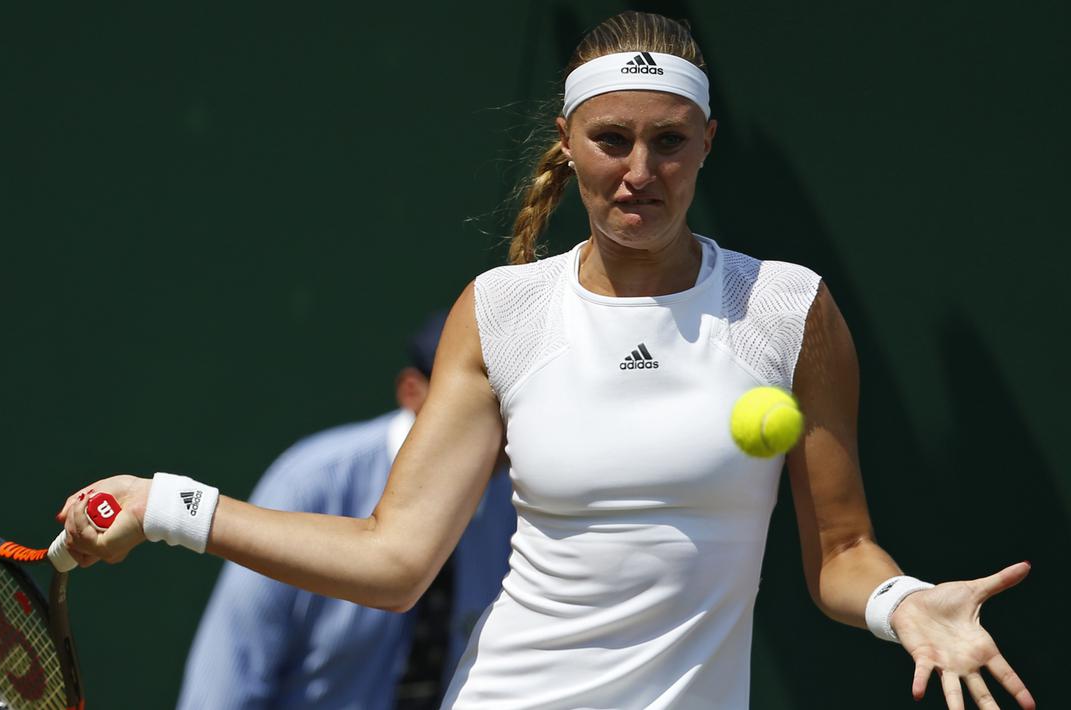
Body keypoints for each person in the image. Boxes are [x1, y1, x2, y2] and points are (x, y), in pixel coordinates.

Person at [58, 12, 1036, 710]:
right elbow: (395, 558)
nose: (639, 172)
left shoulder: (788, 308)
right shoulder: (502, 311)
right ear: (567, 145)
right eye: (611, 139)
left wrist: (903, 601)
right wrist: (170, 504)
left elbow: (840, 551)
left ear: (707, 145)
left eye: (669, 142)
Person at [175, 314, 516, 709]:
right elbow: (229, 674)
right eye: (468, 401)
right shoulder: (311, 484)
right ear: (411, 392)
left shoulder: (522, 499)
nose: (494, 424)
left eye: (504, 403)